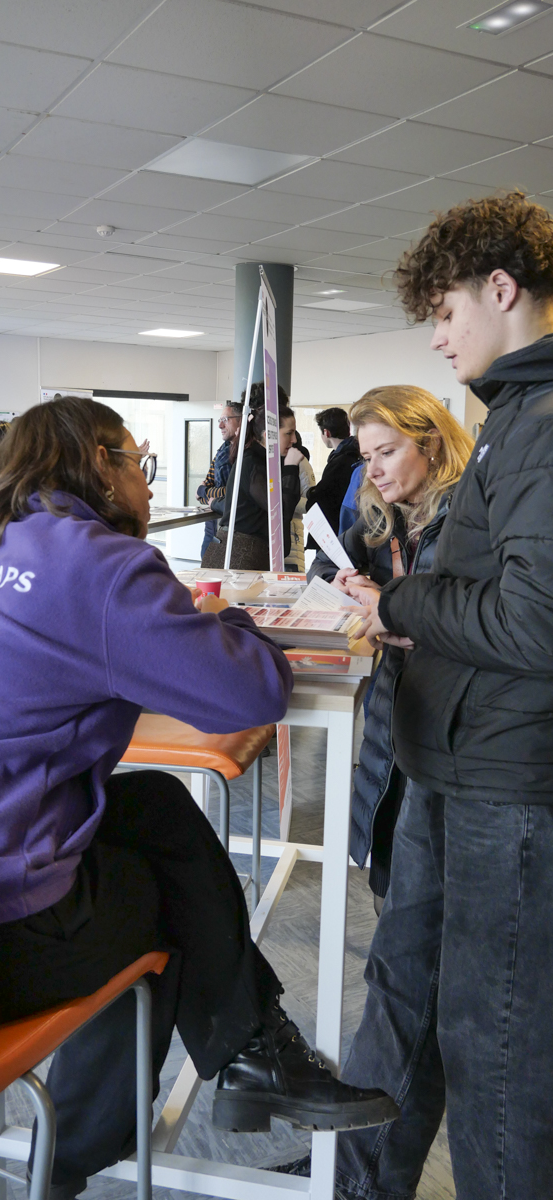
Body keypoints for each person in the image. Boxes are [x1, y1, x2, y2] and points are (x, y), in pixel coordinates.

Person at [0, 396, 398, 1200]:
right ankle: (94, 1149)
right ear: (98, 464)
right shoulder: (102, 566)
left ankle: (250, 1058)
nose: (149, 485)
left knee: (152, 804)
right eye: (137, 463)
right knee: (169, 903)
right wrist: (233, 627)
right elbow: (248, 693)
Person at [305, 192, 553, 1199]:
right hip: (451, 764)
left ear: (500, 289)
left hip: (505, 777)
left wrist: (407, 602)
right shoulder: (515, 414)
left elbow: (535, 621)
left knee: (492, 1041)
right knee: (407, 997)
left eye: (446, 313)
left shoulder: (538, 422)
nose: (440, 338)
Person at [309, 387, 473, 915]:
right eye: (366, 457)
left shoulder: (474, 522)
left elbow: (489, 625)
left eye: (388, 452)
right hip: (393, 721)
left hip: (457, 733)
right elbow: (323, 573)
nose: (374, 471)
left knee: (441, 905)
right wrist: (342, 586)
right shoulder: (384, 518)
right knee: (391, 890)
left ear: (432, 444)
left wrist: (394, 611)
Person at [203, 383, 303, 570]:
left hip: (247, 552)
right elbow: (281, 511)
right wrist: (290, 468)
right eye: (289, 434)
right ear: (268, 435)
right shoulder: (253, 462)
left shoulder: (262, 460)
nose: (294, 440)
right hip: (239, 554)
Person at [305, 408, 361, 542]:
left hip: (334, 535)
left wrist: (310, 493)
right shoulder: (356, 453)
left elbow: (322, 497)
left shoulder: (341, 461)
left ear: (326, 432)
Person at [197, 403, 242, 559]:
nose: (220, 425)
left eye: (225, 419)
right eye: (219, 420)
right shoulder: (222, 450)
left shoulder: (246, 454)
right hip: (212, 525)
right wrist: (204, 492)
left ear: (240, 421)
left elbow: (233, 492)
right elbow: (202, 494)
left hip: (232, 529)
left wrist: (204, 491)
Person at [285, 429, 316, 573]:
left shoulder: (301, 463)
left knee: (293, 581)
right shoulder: (271, 462)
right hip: (271, 532)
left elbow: (310, 503)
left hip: (293, 529)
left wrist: (284, 500)